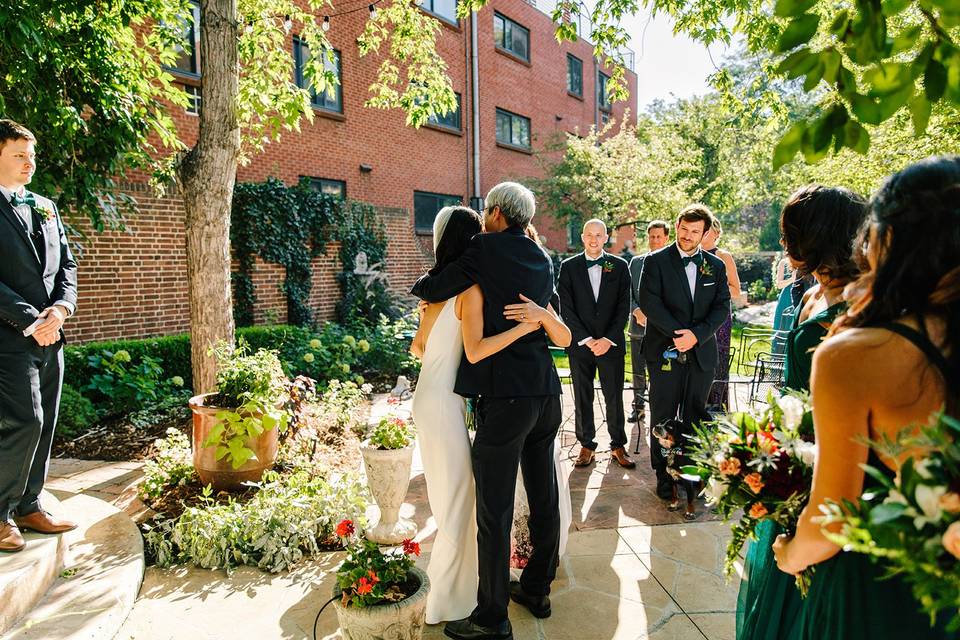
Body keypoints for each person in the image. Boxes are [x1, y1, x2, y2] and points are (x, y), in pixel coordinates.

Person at [772, 156, 960, 639]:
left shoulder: (857, 353)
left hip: (891, 590)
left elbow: (832, 519)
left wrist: (789, 556)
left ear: (887, 239)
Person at [410, 182, 564, 640]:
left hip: (506, 400)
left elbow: (435, 284)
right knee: (544, 497)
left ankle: (492, 617)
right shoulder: (542, 256)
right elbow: (547, 321)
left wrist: (428, 289)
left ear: (496, 213)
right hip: (546, 395)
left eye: (486, 211)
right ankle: (537, 588)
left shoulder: (483, 249)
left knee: (493, 511)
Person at [736, 185, 867, 640]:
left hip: (830, 455)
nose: (784, 244)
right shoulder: (812, 292)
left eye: (790, 233)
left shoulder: (863, 303)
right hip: (791, 451)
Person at [0, 120, 79, 553]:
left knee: (46, 421)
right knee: (22, 421)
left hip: (52, 335)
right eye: (19, 155)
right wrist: (32, 318)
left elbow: (67, 265)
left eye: (32, 155)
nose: (29, 163)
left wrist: (62, 309)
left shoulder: (45, 205)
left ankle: (30, 504)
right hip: (8, 338)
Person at [637, 204, 730, 501]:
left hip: (701, 354)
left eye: (695, 232)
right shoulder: (655, 262)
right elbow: (651, 304)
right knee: (663, 416)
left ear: (705, 234)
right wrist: (680, 335)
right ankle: (664, 475)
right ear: (676, 226)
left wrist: (696, 336)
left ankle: (691, 472)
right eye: (685, 229)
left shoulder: (715, 266)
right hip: (664, 349)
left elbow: (721, 308)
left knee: (696, 416)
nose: (689, 236)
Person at [557, 219, 634, 469]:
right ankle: (586, 445)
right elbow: (565, 308)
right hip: (581, 345)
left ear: (606, 237)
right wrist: (588, 340)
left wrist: (608, 339)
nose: (593, 239)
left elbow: (624, 306)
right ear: (582, 237)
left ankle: (618, 445)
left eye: (598, 235)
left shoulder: (620, 266)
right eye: (589, 235)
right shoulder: (569, 267)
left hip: (611, 345)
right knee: (582, 395)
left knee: (614, 395)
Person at [627, 221, 670, 425]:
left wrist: (654, 317)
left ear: (666, 238)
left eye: (658, 236)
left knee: (661, 371)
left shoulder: (672, 264)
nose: (654, 240)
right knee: (637, 370)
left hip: (662, 331)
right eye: (652, 236)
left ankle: (660, 410)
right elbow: (626, 292)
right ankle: (638, 407)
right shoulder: (636, 262)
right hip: (637, 327)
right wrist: (636, 310)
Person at [700, 218, 743, 410]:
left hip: (719, 317)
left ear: (717, 234)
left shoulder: (723, 256)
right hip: (696, 316)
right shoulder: (690, 254)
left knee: (717, 361)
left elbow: (736, 290)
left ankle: (716, 406)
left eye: (708, 231)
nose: (703, 234)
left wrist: (712, 285)